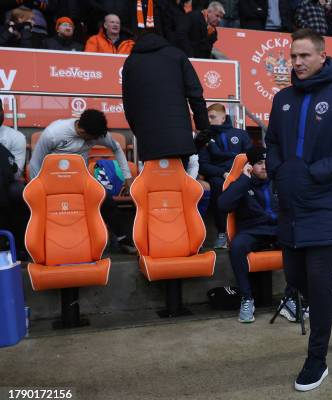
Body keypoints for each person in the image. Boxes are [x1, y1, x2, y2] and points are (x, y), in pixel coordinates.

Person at [266, 29, 332, 391]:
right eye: (293, 57)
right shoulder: (282, 99)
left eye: (304, 56)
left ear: (322, 56)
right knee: (296, 279)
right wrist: (280, 170)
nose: (296, 63)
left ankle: (316, 361)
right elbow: (273, 142)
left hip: (325, 205)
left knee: (320, 283)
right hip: (291, 206)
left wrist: (312, 173)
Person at [28, 109, 136, 254]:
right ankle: (42, 247)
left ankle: (124, 241)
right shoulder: (53, 133)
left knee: (107, 201)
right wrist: (39, 190)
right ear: (81, 130)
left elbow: (116, 148)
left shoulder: (97, 134)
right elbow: (35, 163)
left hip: (80, 182)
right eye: (91, 138)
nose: (94, 141)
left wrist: (128, 178)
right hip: (53, 183)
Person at [217, 146, 303, 323]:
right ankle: (247, 298)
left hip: (278, 231)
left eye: (267, 162)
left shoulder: (279, 181)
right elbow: (223, 205)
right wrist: (244, 179)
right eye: (259, 163)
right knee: (238, 246)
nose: (264, 166)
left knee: (300, 240)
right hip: (253, 232)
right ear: (250, 166)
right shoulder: (242, 183)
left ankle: (289, 299)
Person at [122, 31, 211, 164]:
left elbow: (128, 105)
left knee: (154, 184)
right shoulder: (177, 55)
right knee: (180, 183)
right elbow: (195, 94)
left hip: (149, 141)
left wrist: (139, 133)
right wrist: (203, 127)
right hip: (179, 140)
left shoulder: (130, 62)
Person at [198, 103, 252, 249]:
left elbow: (250, 157)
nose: (209, 120)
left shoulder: (241, 134)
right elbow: (203, 164)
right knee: (216, 185)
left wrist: (241, 170)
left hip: (240, 173)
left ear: (223, 117)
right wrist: (222, 172)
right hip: (218, 175)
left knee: (250, 184)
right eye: (207, 117)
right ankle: (222, 233)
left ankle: (248, 230)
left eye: (213, 117)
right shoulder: (204, 138)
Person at [0, 103, 28, 256]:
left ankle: (19, 247)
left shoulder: (15, 137)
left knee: (20, 193)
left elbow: (17, 173)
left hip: (7, 182)